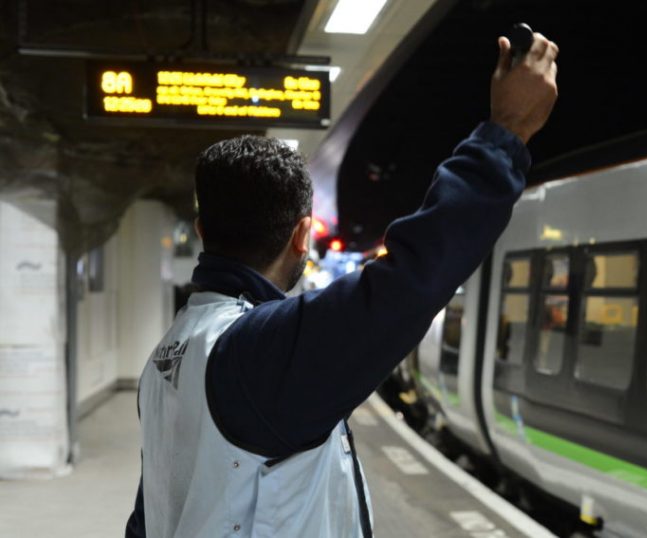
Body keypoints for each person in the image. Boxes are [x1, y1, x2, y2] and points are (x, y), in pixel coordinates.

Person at [124, 32, 559, 538]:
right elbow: (411, 279)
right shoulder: (259, 354)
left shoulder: (169, 355)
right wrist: (506, 133)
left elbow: (153, 508)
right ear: (302, 235)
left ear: (201, 232)